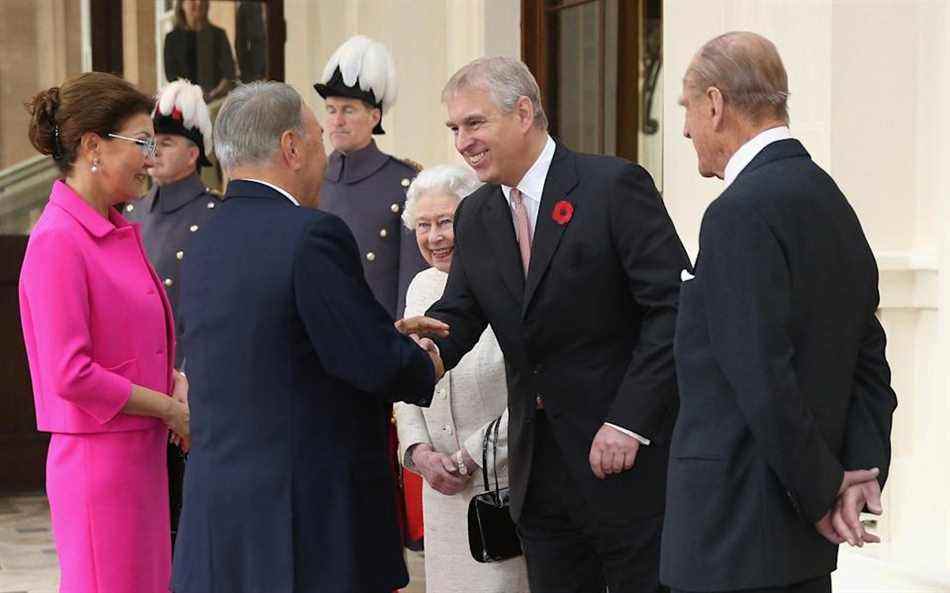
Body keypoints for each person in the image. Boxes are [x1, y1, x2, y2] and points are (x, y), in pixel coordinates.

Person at [398, 57, 689, 593]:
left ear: (525, 112)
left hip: (626, 469)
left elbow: (672, 311)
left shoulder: (613, 187)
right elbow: (458, 316)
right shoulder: (478, 215)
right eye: (454, 129)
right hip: (540, 479)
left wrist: (628, 421)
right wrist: (420, 351)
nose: (462, 142)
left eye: (474, 123)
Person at [170, 81, 443, 593]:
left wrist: (375, 333)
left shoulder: (204, 240)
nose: (324, 155)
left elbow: (277, 344)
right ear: (292, 147)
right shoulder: (311, 233)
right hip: (306, 521)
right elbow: (369, 362)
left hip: (223, 518)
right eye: (318, 139)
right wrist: (427, 359)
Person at [661, 32, 898, 593]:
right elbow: (869, 355)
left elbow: (761, 373)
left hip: (734, 537)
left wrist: (822, 491)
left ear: (715, 105)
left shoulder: (737, 213)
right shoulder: (832, 201)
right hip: (798, 542)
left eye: (688, 109)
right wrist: (859, 473)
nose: (687, 129)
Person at [20, 71, 190, 593]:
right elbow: (70, 374)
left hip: (138, 459)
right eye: (140, 142)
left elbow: (139, 342)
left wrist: (174, 379)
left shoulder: (112, 230)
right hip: (100, 468)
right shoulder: (58, 241)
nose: (150, 157)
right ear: (92, 145)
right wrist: (165, 406)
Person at [314, 34, 430, 549]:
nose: (337, 120)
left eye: (350, 110)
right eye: (331, 109)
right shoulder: (312, 181)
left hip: (371, 357)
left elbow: (408, 290)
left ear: (375, 115)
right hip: (316, 358)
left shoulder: (403, 184)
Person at [395, 164, 530, 593]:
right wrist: (417, 452)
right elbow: (407, 376)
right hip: (442, 493)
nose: (435, 237)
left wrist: (474, 455)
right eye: (423, 225)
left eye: (446, 222)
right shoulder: (419, 286)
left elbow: (533, 385)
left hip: (501, 489)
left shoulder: (509, 281)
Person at [123, 78, 220, 547]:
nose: (153, 151)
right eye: (148, 142)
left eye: (165, 142)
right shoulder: (132, 213)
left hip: (195, 383)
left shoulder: (216, 214)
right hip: (143, 388)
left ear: (194, 152)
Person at [163, 0, 236, 103]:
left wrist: (213, 95)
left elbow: (229, 73)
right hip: (185, 104)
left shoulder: (219, 35)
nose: (199, 2)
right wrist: (193, 94)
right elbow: (172, 76)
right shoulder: (172, 39)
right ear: (182, 5)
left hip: (216, 104)